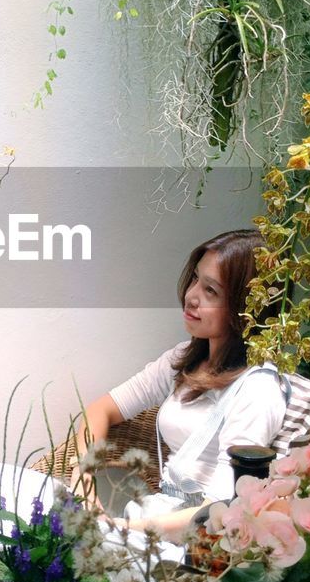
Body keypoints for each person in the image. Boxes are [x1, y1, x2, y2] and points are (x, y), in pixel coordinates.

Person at [75, 228, 287, 542]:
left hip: (193, 543)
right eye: (195, 279)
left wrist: (120, 530)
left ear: (246, 307)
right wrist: (84, 482)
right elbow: (99, 411)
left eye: (211, 291)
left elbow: (222, 508)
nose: (191, 295)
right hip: (150, 516)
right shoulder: (183, 358)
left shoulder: (258, 389)